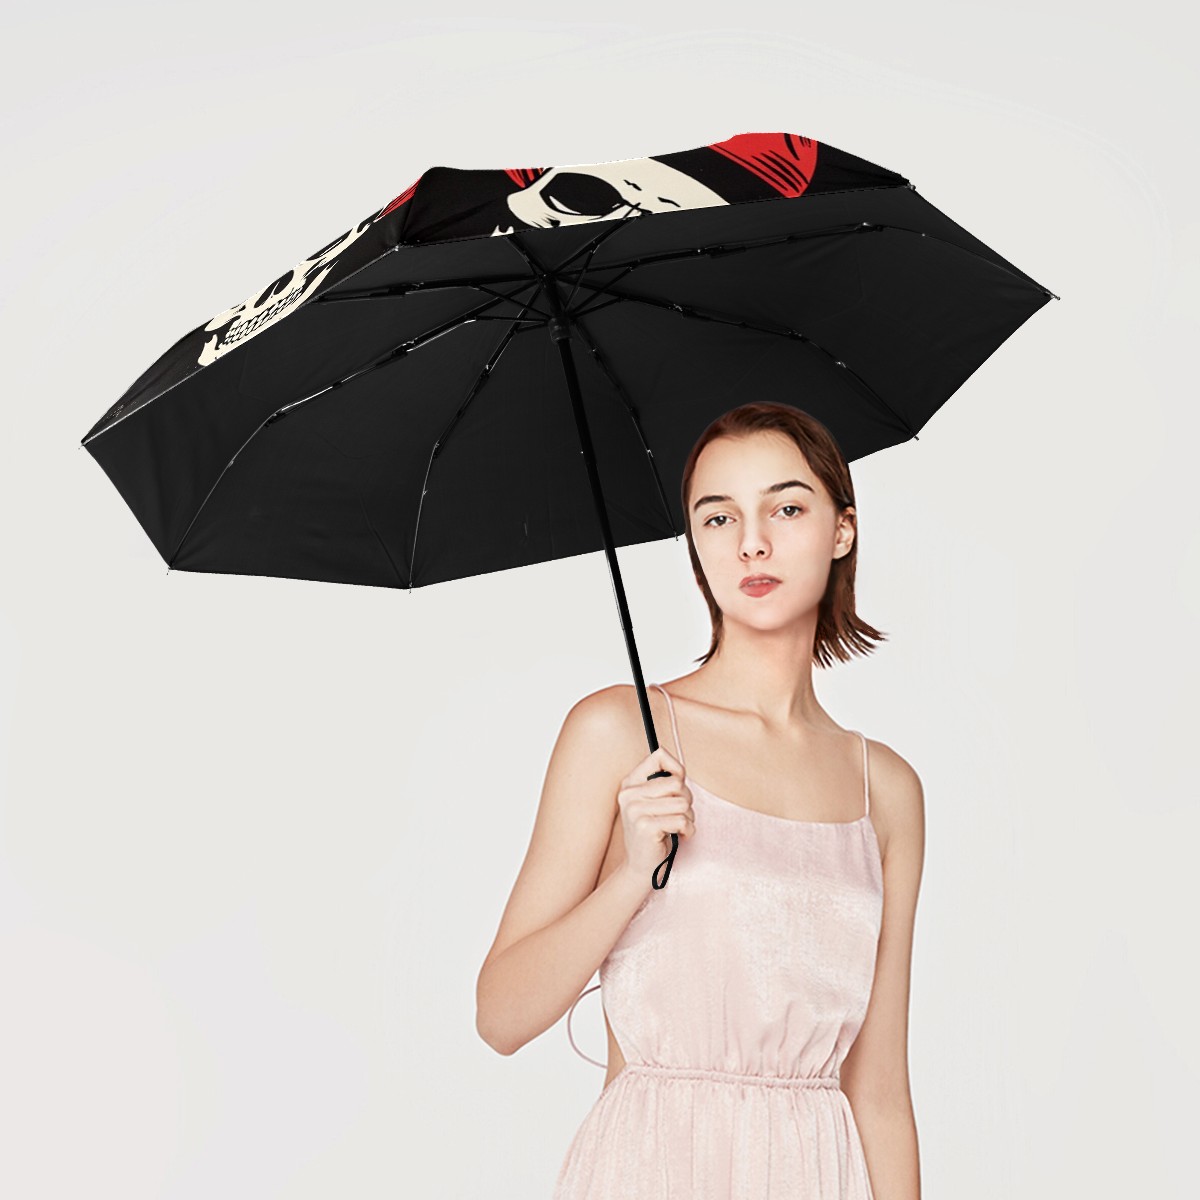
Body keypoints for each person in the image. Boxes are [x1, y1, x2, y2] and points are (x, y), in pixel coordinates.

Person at [475, 401, 925, 1198]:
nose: (751, 542)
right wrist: (630, 876)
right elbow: (501, 1017)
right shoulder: (621, 732)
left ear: (842, 530)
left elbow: (880, 1091)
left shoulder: (885, 789)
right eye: (718, 517)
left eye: (787, 508)